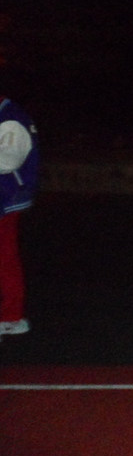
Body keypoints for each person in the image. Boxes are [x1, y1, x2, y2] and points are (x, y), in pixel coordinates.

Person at [0, 95, 38, 340]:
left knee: (5, 258)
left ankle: (11, 318)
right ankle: (11, 316)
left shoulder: (9, 116)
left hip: (5, 196)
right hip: (6, 195)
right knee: (5, 258)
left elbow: (9, 159)